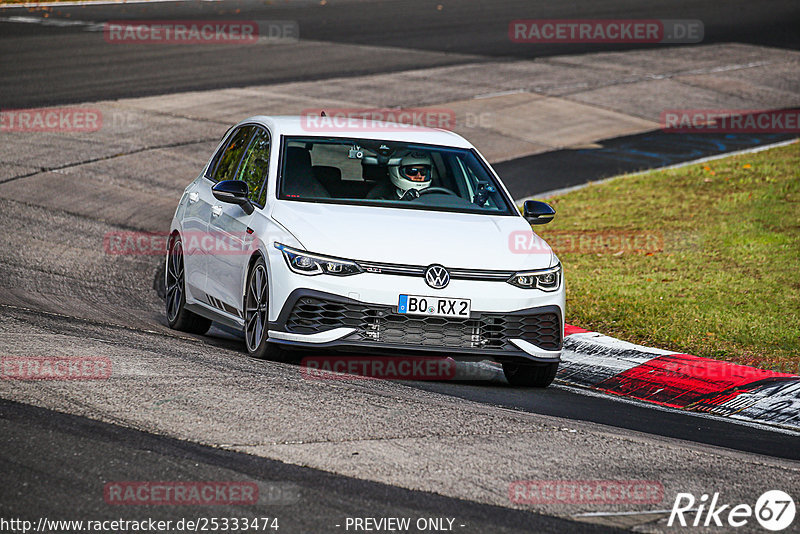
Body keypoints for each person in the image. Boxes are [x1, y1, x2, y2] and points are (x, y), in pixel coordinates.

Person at [366, 152, 432, 200]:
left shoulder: (434, 196)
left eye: (423, 172)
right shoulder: (382, 197)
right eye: (412, 171)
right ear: (396, 171)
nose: (419, 176)